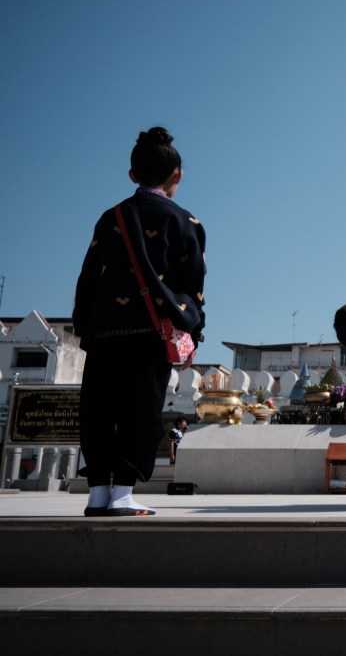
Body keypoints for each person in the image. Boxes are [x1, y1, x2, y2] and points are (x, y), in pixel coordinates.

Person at [73, 126, 206, 517]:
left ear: (132, 175)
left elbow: (88, 279)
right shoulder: (186, 222)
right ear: (177, 175)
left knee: (99, 409)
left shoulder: (110, 218)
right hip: (153, 333)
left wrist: (86, 329)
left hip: (105, 331)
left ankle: (97, 493)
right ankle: (123, 495)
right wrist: (193, 332)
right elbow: (193, 286)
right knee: (141, 411)